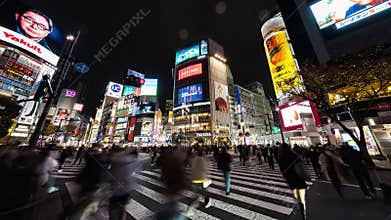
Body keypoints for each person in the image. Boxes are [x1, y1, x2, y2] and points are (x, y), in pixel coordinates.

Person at [277, 143, 309, 220]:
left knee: (296, 194)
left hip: (290, 179)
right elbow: (301, 166)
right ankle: (303, 211)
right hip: (298, 177)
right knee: (302, 195)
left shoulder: (280, 158)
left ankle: (300, 206)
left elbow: (282, 170)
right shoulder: (294, 155)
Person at [108, 148, 141, 220]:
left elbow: (110, 173)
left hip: (116, 188)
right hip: (128, 188)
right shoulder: (136, 161)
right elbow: (135, 174)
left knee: (112, 207)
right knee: (123, 207)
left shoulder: (116, 160)